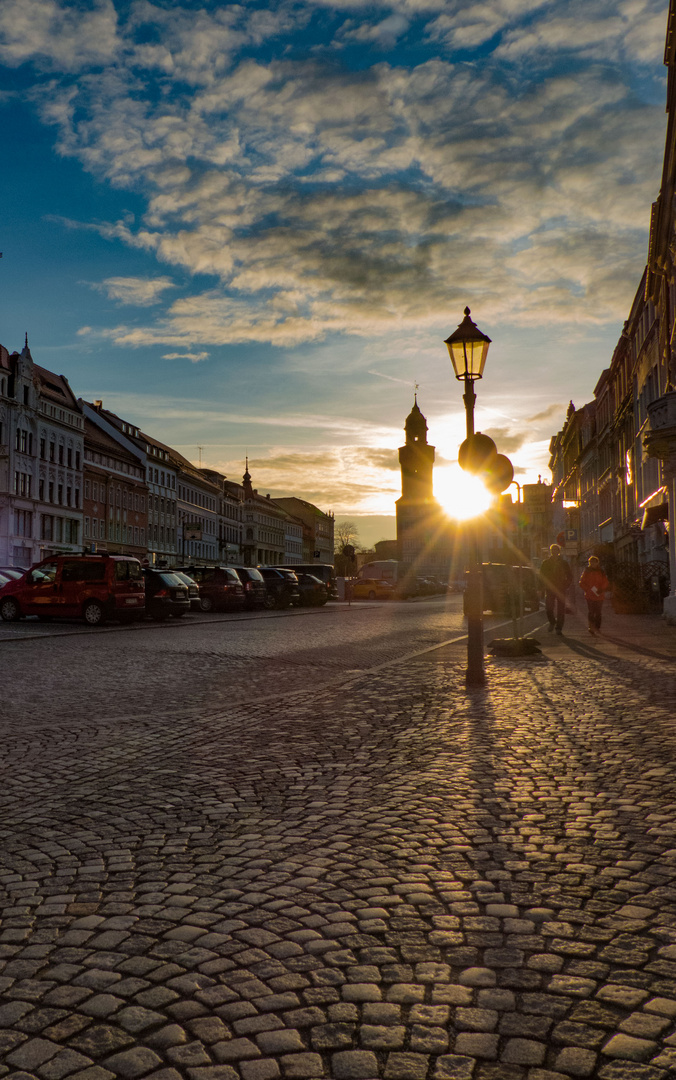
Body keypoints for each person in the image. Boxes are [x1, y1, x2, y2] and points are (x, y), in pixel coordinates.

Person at [539, 543, 573, 634]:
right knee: (549, 608)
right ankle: (552, 622)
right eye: (552, 550)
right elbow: (541, 576)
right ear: (550, 552)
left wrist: (566, 584)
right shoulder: (545, 563)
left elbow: (569, 575)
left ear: (558, 552)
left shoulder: (563, 563)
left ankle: (559, 628)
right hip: (550, 588)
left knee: (561, 609)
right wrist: (540, 587)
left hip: (561, 588)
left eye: (556, 550)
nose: (554, 552)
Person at [579, 555, 610, 634]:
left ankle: (597, 627)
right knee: (591, 612)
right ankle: (591, 627)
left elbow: (605, 582)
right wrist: (588, 589)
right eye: (591, 562)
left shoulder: (601, 571)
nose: (592, 564)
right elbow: (582, 582)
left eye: (594, 562)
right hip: (590, 595)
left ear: (597, 563)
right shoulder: (587, 571)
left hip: (599, 595)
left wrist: (601, 589)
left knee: (598, 612)